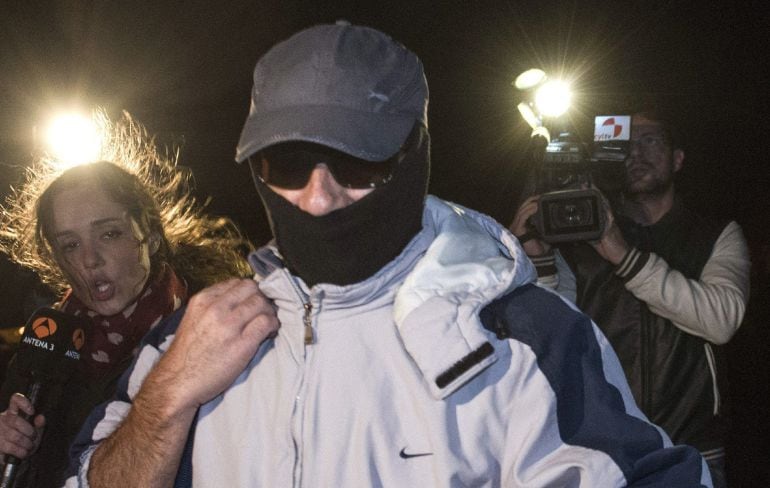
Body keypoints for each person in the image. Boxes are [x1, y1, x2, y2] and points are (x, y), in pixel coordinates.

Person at [69, 23, 712, 487]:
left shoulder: (524, 340)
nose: (318, 198)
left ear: (414, 157)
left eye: (355, 161)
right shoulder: (189, 338)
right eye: (286, 163)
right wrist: (171, 396)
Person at [0, 112, 255, 487]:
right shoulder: (45, 349)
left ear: (150, 235)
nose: (89, 259)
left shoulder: (211, 329)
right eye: (70, 244)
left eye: (108, 234)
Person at [510, 111, 750, 487]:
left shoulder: (716, 233)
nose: (636, 152)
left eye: (650, 140)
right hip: (605, 447)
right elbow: (551, 331)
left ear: (677, 158)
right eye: (624, 144)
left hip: (692, 446)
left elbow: (720, 320)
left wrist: (623, 255)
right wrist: (536, 256)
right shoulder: (581, 235)